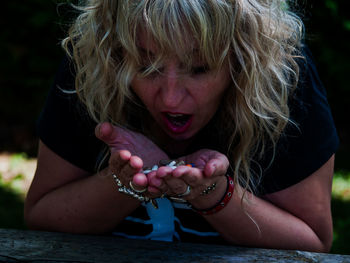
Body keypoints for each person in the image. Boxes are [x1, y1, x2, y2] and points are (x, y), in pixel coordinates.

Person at [24, 0, 339, 252]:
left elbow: (313, 242)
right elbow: (41, 216)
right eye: (147, 65)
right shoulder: (94, 58)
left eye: (199, 68)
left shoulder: (282, 72)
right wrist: (129, 182)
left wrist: (212, 194)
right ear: (117, 52)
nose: (171, 99)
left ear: (243, 57)